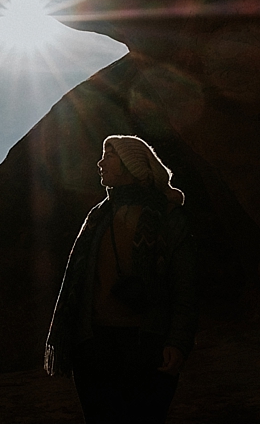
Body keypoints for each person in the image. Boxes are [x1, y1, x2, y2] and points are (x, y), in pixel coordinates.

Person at [45, 134, 198, 423]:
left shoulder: (169, 217)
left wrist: (177, 342)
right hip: (95, 345)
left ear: (131, 165)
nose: (100, 162)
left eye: (109, 156)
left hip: (148, 344)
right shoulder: (98, 217)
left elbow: (185, 286)